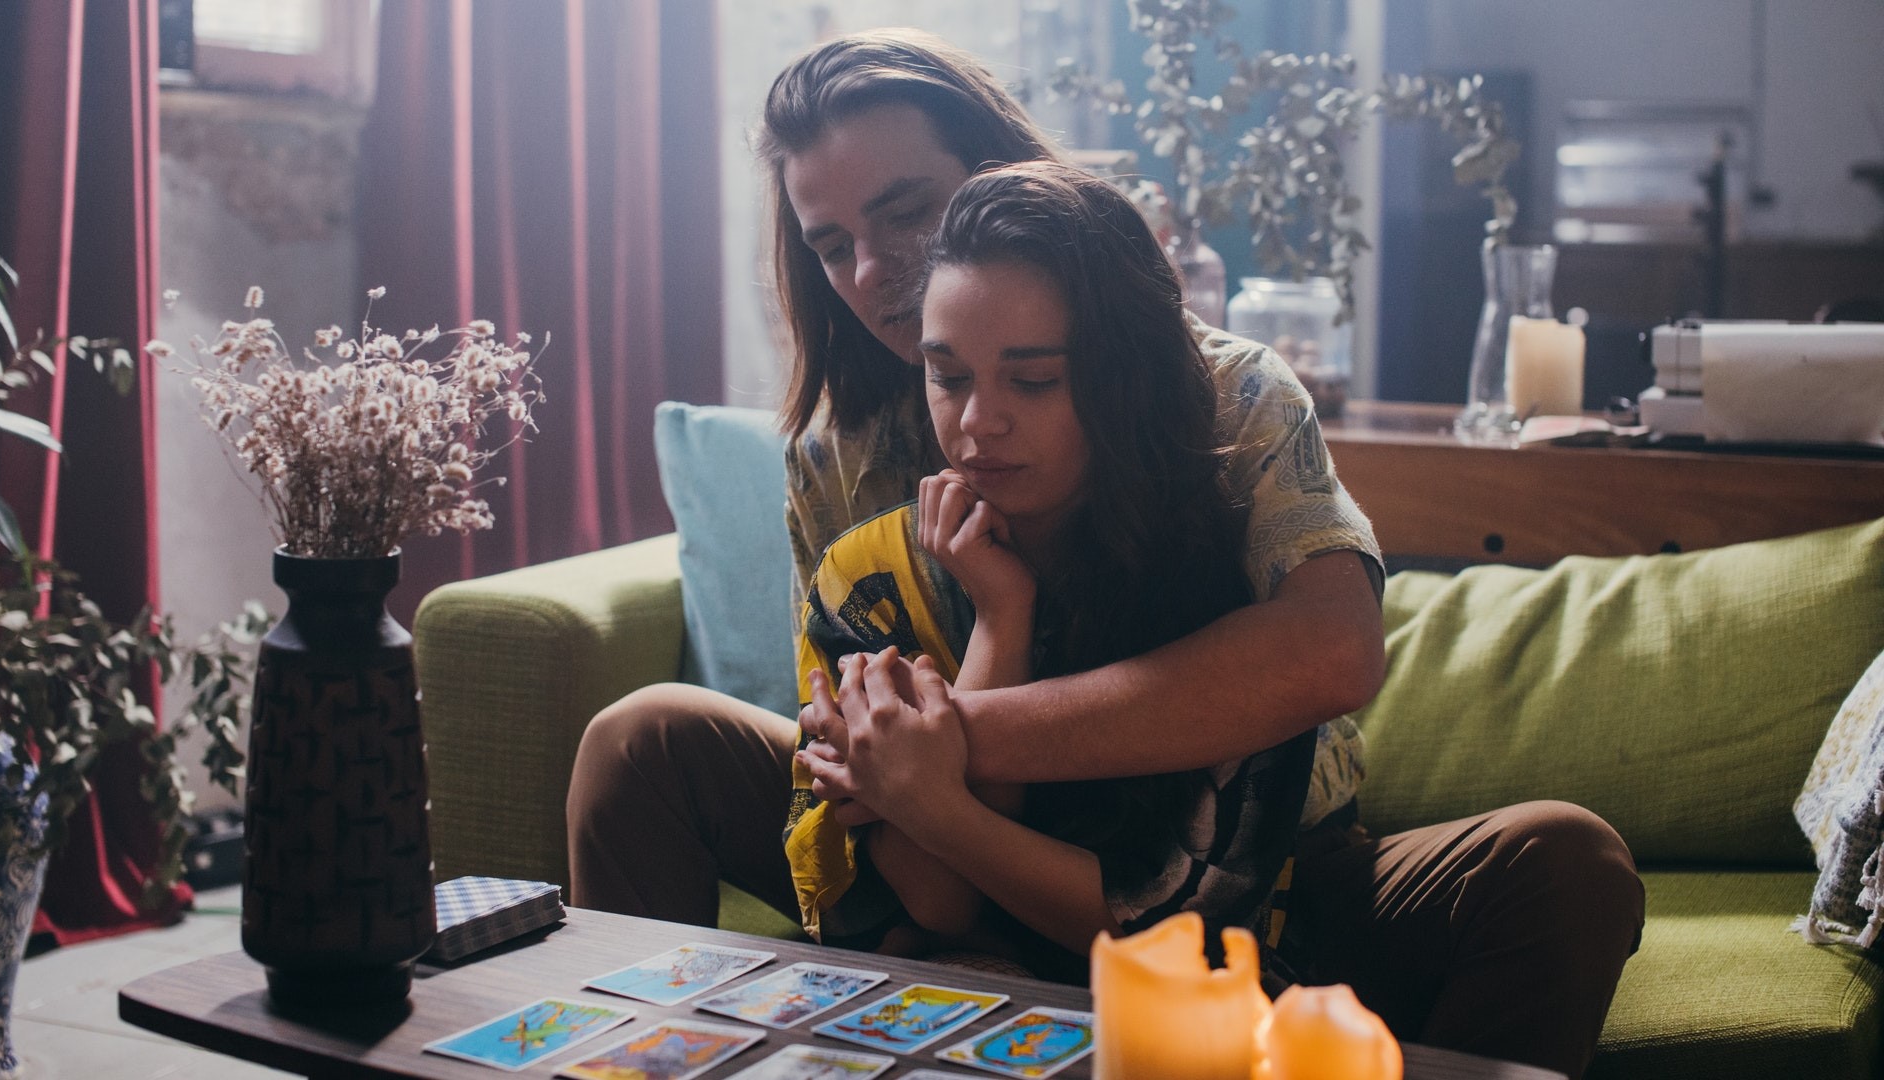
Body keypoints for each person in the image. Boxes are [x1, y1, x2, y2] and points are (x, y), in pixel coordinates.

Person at [566, 28, 1642, 1079]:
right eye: (830, 243)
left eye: (904, 214)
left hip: (1255, 876)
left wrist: (941, 748)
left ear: (1004, 182)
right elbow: (877, 782)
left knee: (1560, 863)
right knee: (647, 742)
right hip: (936, 860)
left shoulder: (1227, 394)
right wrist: (924, 787)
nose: (871, 271)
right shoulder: (835, 459)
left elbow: (1326, 653)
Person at [782, 161, 1316, 985]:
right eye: (947, 376)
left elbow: (1176, 937)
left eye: (1032, 381)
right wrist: (1001, 614)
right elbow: (939, 903)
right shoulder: (870, 577)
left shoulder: (1231, 582)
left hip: (1178, 1003)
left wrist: (929, 798)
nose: (975, 423)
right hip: (951, 978)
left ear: (1125, 381)